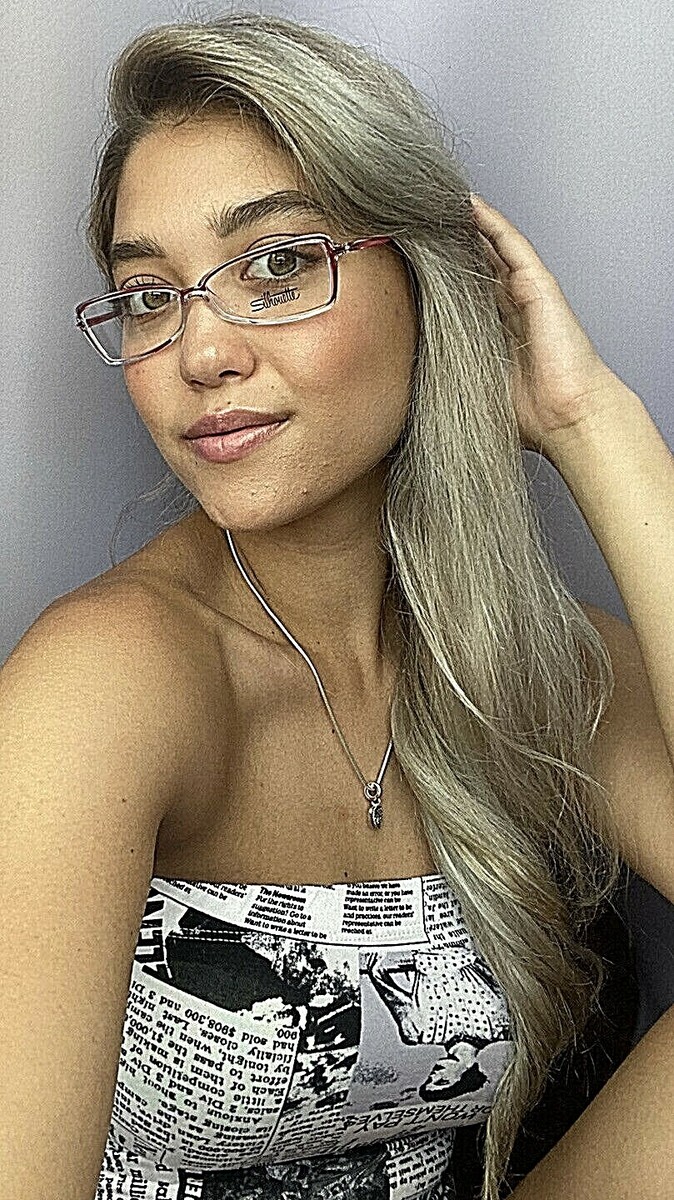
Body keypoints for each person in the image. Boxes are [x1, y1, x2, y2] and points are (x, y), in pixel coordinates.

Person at [2, 11, 673, 1200]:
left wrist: (592, 425)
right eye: (148, 297)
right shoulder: (107, 679)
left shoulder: (524, 664)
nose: (199, 352)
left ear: (426, 282)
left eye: (275, 266)